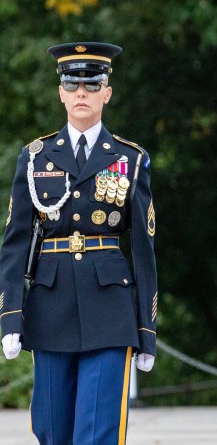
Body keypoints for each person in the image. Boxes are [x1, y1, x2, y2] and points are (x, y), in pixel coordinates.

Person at [0, 42, 158, 444]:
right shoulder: (35, 157)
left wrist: (146, 327)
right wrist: (10, 316)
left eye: (92, 84)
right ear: (61, 92)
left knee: (98, 429)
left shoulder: (130, 159)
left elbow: (143, 249)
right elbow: (15, 242)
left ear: (107, 91)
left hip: (110, 308)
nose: (81, 93)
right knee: (51, 428)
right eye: (72, 85)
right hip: (50, 306)